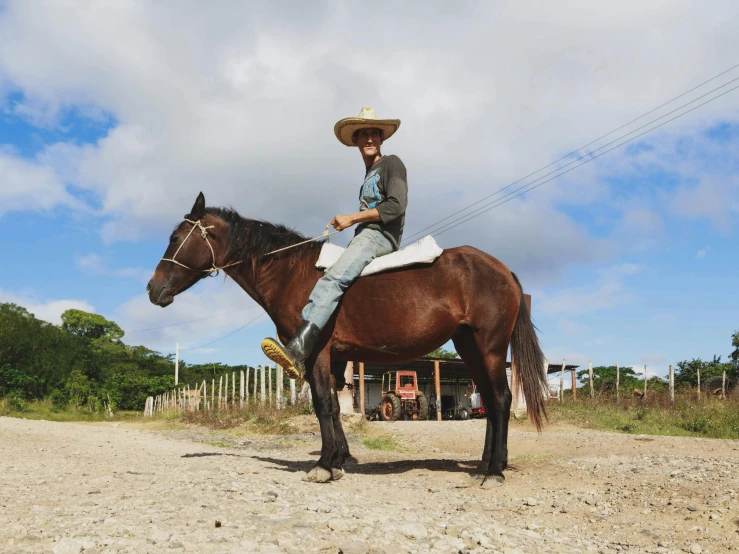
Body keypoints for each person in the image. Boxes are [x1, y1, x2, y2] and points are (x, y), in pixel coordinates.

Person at [262, 107, 408, 376]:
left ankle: (298, 350)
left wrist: (352, 219)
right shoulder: (368, 175)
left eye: (373, 134)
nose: (368, 139)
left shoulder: (392, 163)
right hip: (365, 235)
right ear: (355, 141)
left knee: (333, 279)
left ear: (381, 139)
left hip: (379, 235)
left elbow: (396, 206)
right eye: (362, 134)